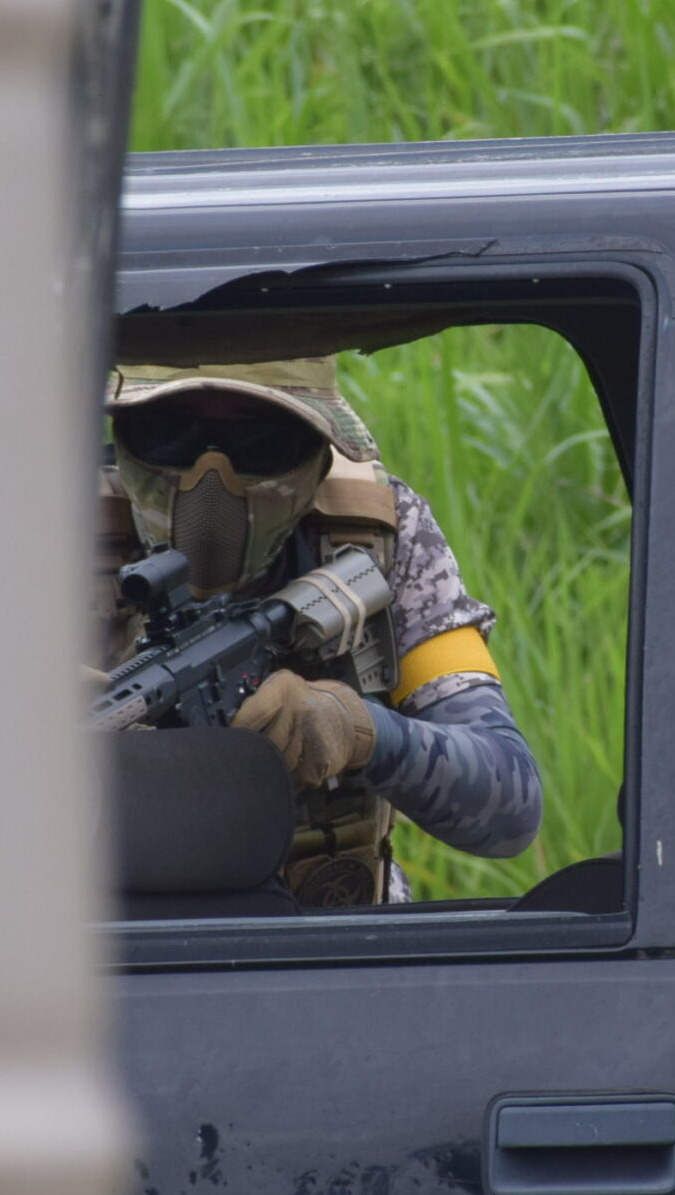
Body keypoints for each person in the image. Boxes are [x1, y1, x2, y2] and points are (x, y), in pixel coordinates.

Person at [94, 357, 542, 905]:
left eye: (259, 440)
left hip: (327, 938)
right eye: (170, 432)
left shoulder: (375, 531)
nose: (210, 479)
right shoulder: (44, 531)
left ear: (319, 452)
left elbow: (510, 804)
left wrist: (362, 732)